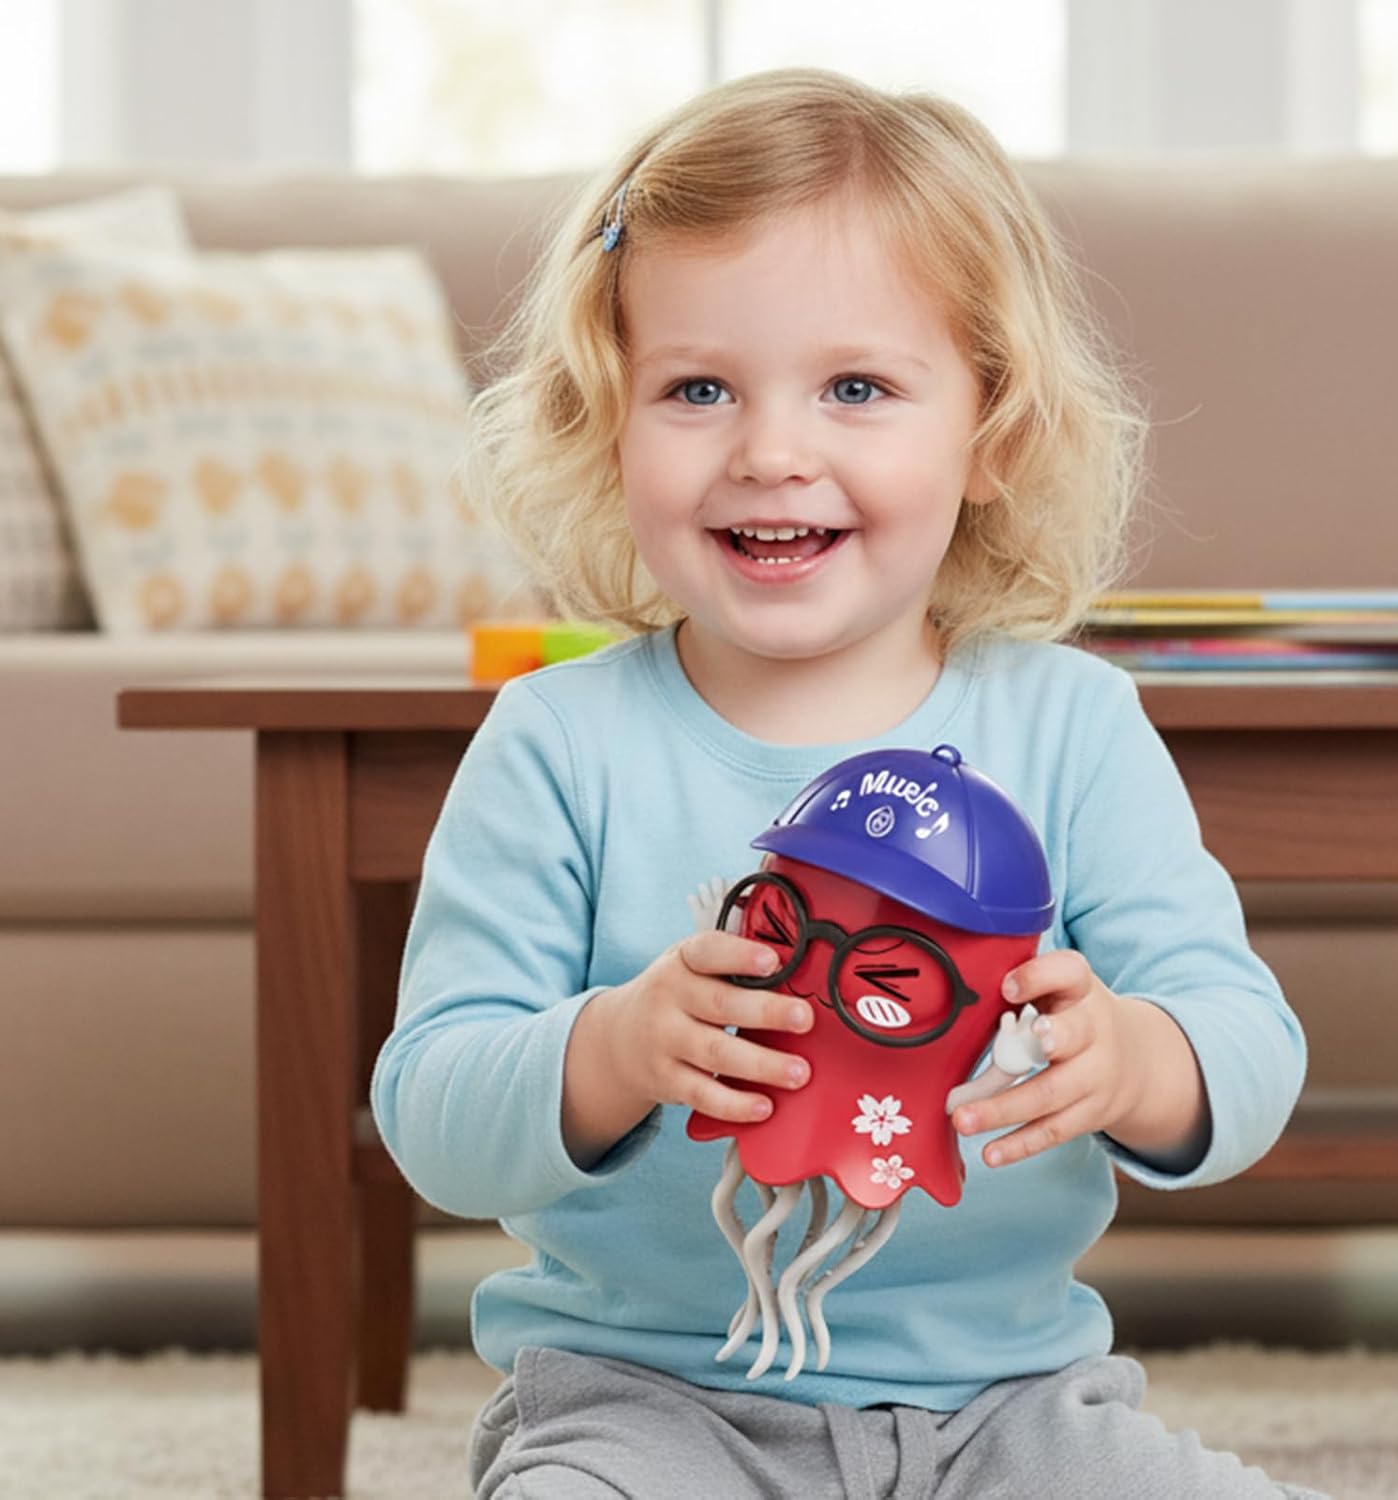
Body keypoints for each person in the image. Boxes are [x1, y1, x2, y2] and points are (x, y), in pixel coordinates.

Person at [372, 67, 1321, 1499]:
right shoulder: (557, 742)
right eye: (697, 389)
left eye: (856, 388)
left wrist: (1137, 1059)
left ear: (992, 433)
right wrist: (615, 1047)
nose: (771, 452)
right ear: (604, 424)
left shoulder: (1075, 727)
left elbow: (1248, 1046)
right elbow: (432, 1113)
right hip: (647, 1408)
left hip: (1014, 1410)